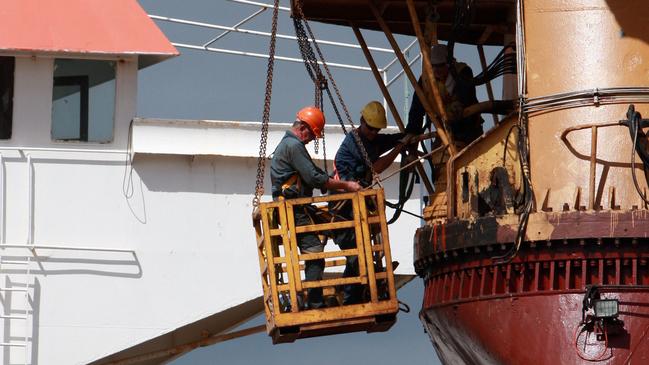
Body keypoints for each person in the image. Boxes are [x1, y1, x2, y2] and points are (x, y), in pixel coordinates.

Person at [270, 106, 361, 309]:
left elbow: (312, 173)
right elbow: (314, 177)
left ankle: (353, 283)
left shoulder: (289, 146)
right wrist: (346, 185)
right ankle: (315, 303)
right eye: (311, 134)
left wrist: (328, 181)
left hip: (300, 208)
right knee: (315, 253)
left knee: (340, 228)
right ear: (302, 127)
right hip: (296, 210)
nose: (312, 139)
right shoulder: (293, 146)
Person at [331, 101, 405, 305]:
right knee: (357, 254)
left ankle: (348, 293)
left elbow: (386, 141)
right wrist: (399, 147)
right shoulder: (354, 145)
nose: (373, 132)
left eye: (376, 129)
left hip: (356, 207)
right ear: (362, 121)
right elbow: (377, 168)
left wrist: (406, 136)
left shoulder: (370, 140)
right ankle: (349, 299)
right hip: (342, 209)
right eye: (370, 128)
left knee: (361, 253)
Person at [405, 44, 484, 146]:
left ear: (449, 63)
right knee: (439, 153)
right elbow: (417, 108)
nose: (436, 70)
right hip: (444, 129)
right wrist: (412, 132)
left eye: (440, 65)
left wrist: (457, 105)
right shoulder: (425, 80)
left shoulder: (463, 71)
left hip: (468, 127)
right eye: (433, 66)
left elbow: (467, 98)